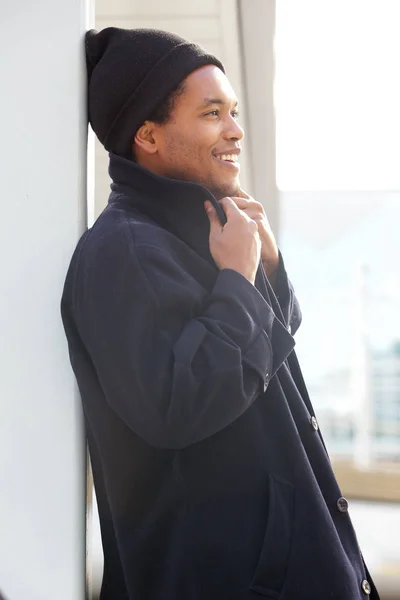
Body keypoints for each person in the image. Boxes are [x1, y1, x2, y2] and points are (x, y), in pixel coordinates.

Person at [61, 27, 380, 600]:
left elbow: (259, 362)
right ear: (148, 134)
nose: (235, 130)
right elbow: (177, 406)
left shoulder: (205, 230)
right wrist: (236, 277)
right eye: (212, 113)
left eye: (233, 111)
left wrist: (267, 268)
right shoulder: (124, 251)